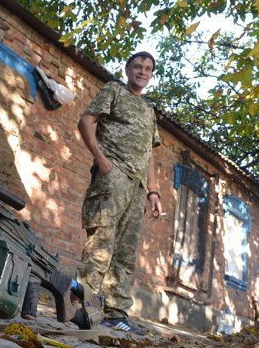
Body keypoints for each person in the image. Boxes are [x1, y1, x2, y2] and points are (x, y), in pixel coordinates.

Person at [76, 51, 163, 331]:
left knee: (126, 251)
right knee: (102, 239)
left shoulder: (149, 111)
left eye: (148, 69)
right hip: (113, 177)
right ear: (127, 69)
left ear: (151, 75)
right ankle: (84, 307)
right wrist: (101, 159)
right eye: (137, 66)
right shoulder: (114, 90)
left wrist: (154, 192)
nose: (142, 72)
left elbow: (150, 154)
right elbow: (86, 121)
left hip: (137, 187)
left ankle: (115, 314)